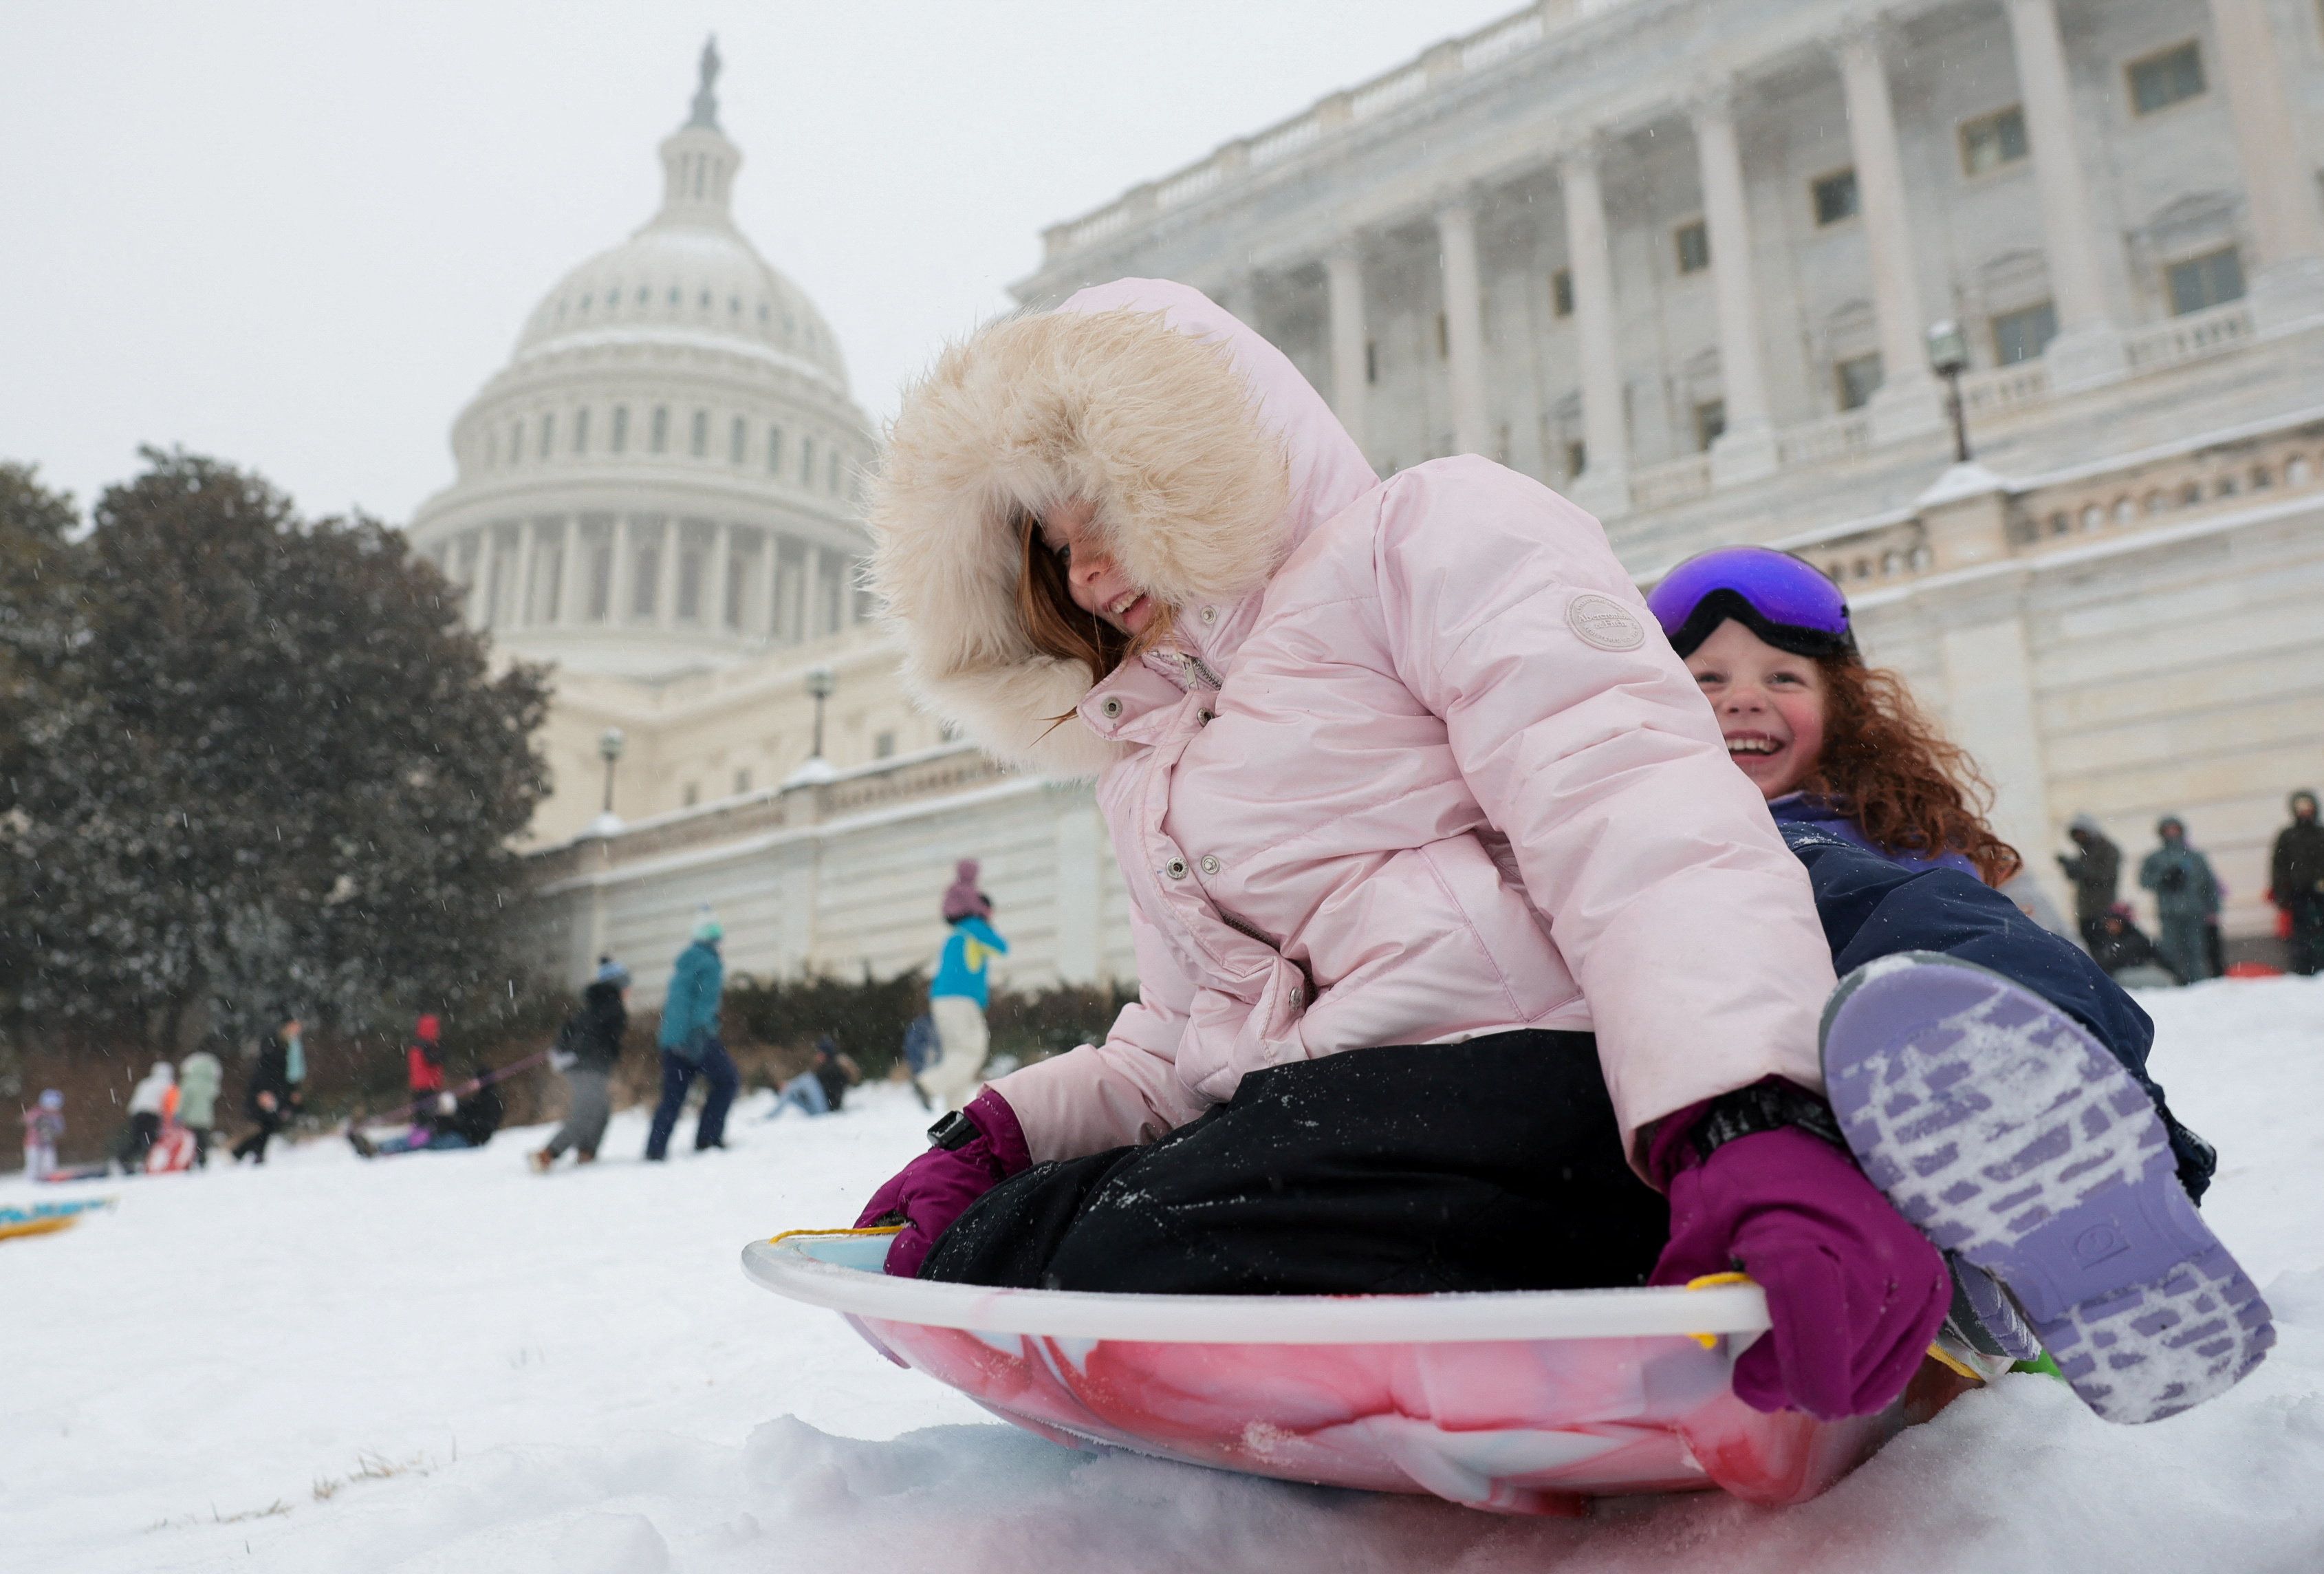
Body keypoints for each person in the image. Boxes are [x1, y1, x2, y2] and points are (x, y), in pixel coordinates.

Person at [852, 280, 2264, 1427]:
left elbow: (1639, 827)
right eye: (1051, 551)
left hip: (1557, 1083)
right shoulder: (1152, 763)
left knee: (1118, 1248)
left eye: (1102, 509)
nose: (1090, 572)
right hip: (1358, 1106)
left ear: (1195, 446)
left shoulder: (1421, 538)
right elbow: (1192, 1032)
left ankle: (1924, 1205)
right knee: (1055, 1236)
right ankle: (1862, 1219)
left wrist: (1740, 1119)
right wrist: (1007, 1130)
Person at [1649, 546, 2238, 1375]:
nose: (1745, 696)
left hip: (1874, 1038)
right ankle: (1952, 1258)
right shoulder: (1645, 834)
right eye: (1706, 681)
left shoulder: (1883, 841)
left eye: (1783, 678)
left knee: (1942, 926)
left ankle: (2085, 1148)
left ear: (1842, 710)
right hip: (1734, 1086)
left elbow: (1960, 929)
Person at [645, 912, 738, 1161]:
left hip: (672, 1038)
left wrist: (675, 1038)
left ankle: (655, 1148)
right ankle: (708, 1138)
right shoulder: (709, 963)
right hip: (696, 1036)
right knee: (727, 1081)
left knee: (673, 1097)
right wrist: (699, 1034)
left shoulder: (685, 962)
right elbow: (702, 1005)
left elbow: (677, 1004)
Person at [921, 861, 1008, 1112]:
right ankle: (928, 1085)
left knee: (956, 1056)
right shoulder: (976, 928)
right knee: (973, 1050)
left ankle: (954, 1116)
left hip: (941, 999)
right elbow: (1002, 947)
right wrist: (986, 923)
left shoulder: (956, 933)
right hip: (962, 1000)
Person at [534, 958, 629, 1172]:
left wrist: (565, 1052)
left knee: (601, 1110)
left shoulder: (595, 1006)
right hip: (587, 1068)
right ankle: (548, 1153)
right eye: (626, 985)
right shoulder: (612, 1007)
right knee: (587, 1113)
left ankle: (587, 1152)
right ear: (618, 986)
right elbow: (590, 1036)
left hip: (585, 1066)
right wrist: (580, 1054)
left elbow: (572, 1029)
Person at [352, 1057, 505, 1156]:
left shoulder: (492, 1101)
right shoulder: (478, 1099)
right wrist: (449, 1109)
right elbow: (464, 1111)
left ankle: (381, 1150)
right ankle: (377, 1147)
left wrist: (456, 1119)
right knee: (420, 1136)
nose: (471, 1083)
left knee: (425, 1142)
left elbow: (484, 1126)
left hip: (469, 1141)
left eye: (475, 1080)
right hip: (457, 1135)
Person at [2140, 817, 2222, 984]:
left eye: (2175, 829)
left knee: (2196, 949)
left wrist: (2213, 909)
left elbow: (2209, 884)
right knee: (2171, 950)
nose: (2172, 833)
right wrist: (2164, 878)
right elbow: (2144, 881)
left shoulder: (2195, 857)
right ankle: (2178, 981)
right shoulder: (2155, 858)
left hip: (2194, 911)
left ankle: (2198, 983)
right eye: (2168, 830)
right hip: (2169, 912)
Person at [232, 1012, 305, 1164]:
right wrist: (264, 1091)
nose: (298, 1028)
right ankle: (246, 1152)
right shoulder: (274, 1042)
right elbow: (265, 1069)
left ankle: (245, 1152)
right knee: (269, 1123)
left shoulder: (294, 1045)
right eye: (294, 1025)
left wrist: (295, 1091)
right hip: (268, 1089)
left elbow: (293, 1072)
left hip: (282, 1089)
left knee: (271, 1124)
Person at [2274, 790, 2324, 975]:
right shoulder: (2288, 836)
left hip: (2321, 894)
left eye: (2308, 807)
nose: (2305, 812)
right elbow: (2279, 867)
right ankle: (2304, 970)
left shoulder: (2321, 834)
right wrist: (2282, 894)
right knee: (2302, 935)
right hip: (2298, 895)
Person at [2057, 814, 2122, 948]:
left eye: (2081, 833)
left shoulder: (2107, 849)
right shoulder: (2085, 851)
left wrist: (2079, 868)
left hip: (2103, 908)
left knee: (2105, 948)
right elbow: (2075, 877)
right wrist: (2069, 866)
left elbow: (2105, 876)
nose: (2078, 838)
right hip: (2086, 910)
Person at [770, 1035, 862, 1119]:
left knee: (807, 1079)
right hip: (820, 1108)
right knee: (791, 1095)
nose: (818, 1055)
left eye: (820, 1052)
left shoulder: (834, 1067)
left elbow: (815, 1082)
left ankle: (786, 1086)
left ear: (826, 1053)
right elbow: (819, 1088)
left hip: (826, 1109)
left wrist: (790, 1085)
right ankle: (770, 1117)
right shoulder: (827, 1067)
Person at [2089, 903, 2176, 987]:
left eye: (2114, 922)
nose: (2110, 926)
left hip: (2134, 977)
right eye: (2108, 922)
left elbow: (2160, 957)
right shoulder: (2105, 939)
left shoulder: (2135, 940)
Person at [118, 1061, 175, 1172]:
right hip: (152, 1114)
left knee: (137, 1140)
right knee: (153, 1141)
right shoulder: (169, 1084)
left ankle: (122, 1159)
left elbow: (136, 1100)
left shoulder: (146, 1083)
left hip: (137, 1114)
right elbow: (169, 1104)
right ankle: (150, 1164)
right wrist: (169, 1120)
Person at [177, 1048, 223, 1168]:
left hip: (190, 1118)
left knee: (189, 1142)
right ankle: (202, 1161)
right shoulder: (211, 1084)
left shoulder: (188, 1082)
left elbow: (184, 1101)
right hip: (205, 1118)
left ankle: (188, 1162)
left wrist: (179, 1114)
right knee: (202, 1142)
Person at [406, 1014, 446, 1126]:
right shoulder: (427, 1046)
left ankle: (418, 1138)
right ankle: (423, 1140)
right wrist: (442, 1051)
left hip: (418, 1087)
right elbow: (433, 1060)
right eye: (437, 1029)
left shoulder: (417, 1045)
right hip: (427, 1088)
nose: (439, 1032)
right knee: (428, 1118)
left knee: (421, 1116)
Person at [21, 1090, 64, 1180]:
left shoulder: (56, 1116)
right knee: (34, 1164)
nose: (52, 1107)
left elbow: (60, 1129)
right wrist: (38, 1121)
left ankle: (48, 1179)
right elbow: (27, 1119)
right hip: (33, 1144)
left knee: (49, 1164)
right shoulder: (37, 1112)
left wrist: (52, 1130)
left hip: (48, 1144)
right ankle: (31, 1181)